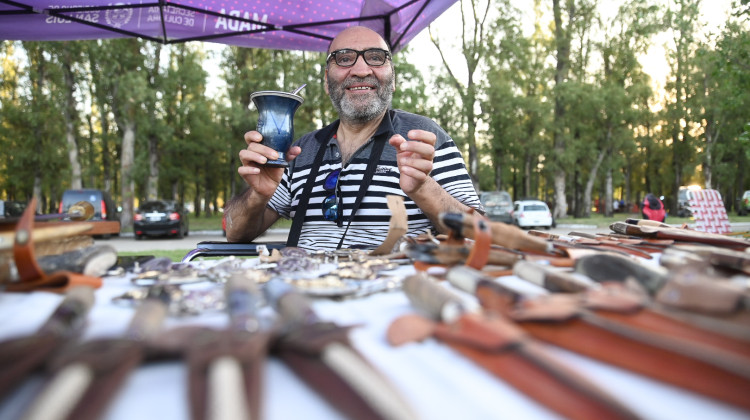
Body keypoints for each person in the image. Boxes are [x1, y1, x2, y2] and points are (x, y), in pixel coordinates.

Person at [224, 26, 481, 251]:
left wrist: (424, 188)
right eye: (344, 58)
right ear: (327, 81)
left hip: (390, 296)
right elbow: (234, 234)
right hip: (306, 291)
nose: (360, 70)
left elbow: (479, 235)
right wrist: (258, 195)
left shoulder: (424, 138)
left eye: (376, 58)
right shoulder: (300, 150)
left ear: (393, 80)